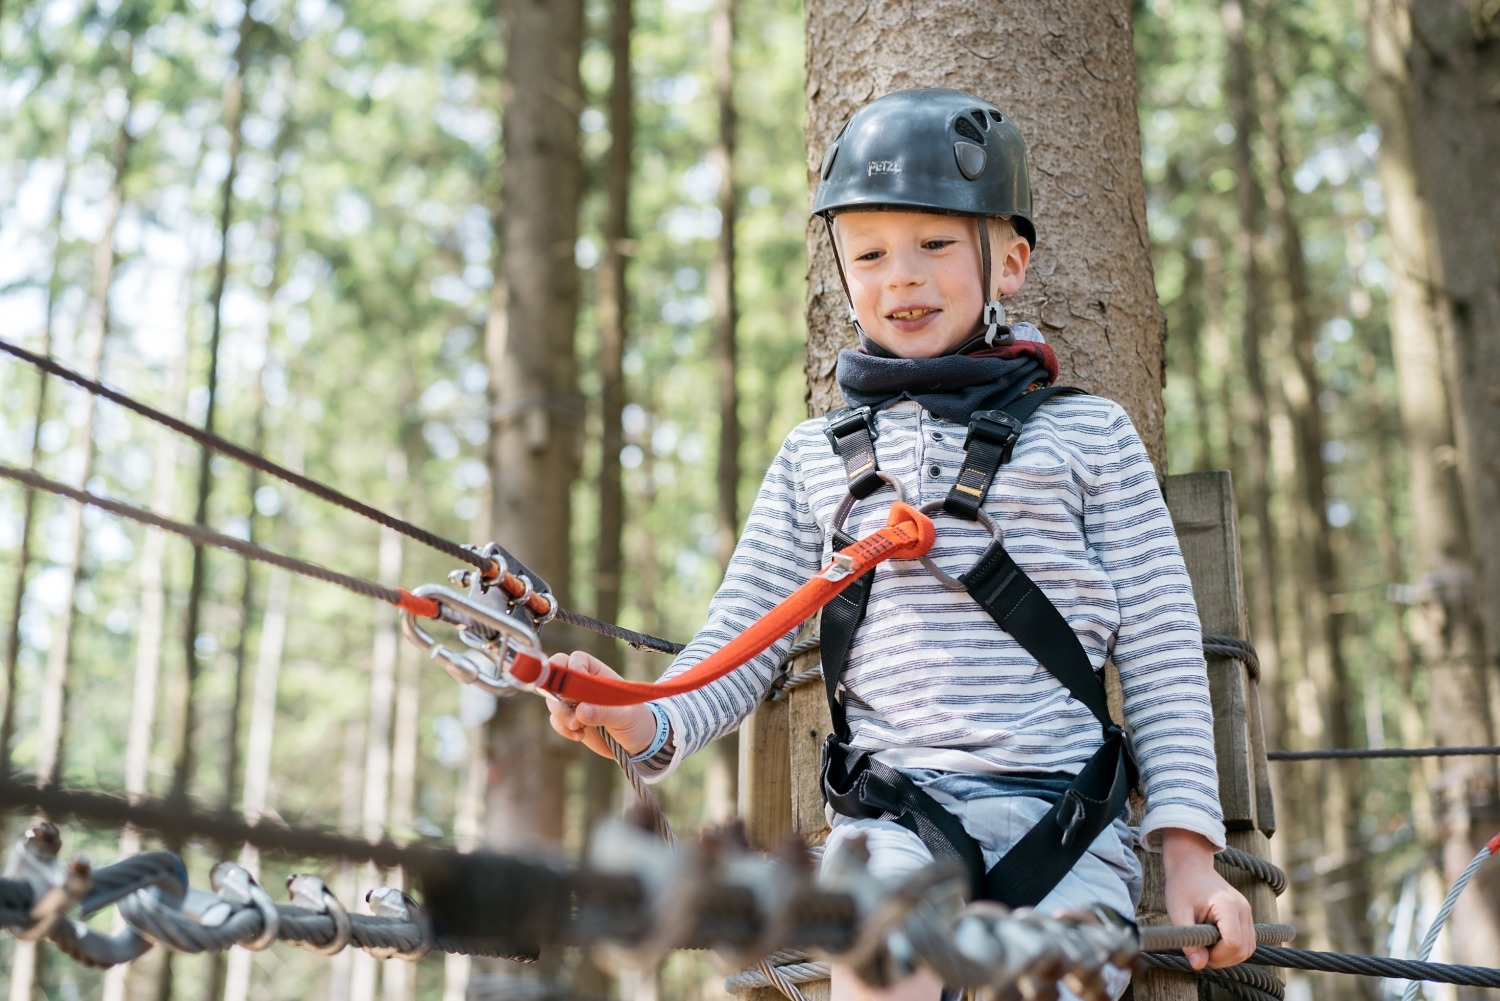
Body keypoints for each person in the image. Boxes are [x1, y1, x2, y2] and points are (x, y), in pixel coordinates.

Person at [547, 87, 1253, 1000]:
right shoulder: (816, 457)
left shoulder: (1091, 437)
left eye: (932, 245)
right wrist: (640, 713)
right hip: (892, 821)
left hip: (1066, 818)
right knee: (882, 972)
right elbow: (743, 639)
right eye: (870, 254)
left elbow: (1160, 650)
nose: (901, 278)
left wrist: (1191, 858)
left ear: (1009, 261)